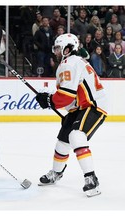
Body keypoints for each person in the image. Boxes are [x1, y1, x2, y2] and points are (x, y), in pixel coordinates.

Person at [35, 33, 107, 197]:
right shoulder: (73, 62)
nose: (56, 51)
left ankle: (91, 178)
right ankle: (56, 173)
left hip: (93, 105)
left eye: (59, 48)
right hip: (80, 107)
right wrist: (50, 99)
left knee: (76, 136)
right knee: (63, 140)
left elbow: (66, 96)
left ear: (68, 49)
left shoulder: (69, 63)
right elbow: (69, 95)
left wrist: (50, 101)